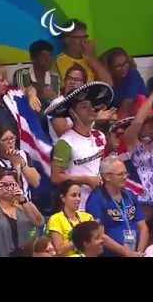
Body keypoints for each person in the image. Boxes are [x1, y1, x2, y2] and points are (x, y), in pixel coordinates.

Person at [48, 81, 114, 210]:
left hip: (100, 202)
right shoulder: (65, 143)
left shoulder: (100, 135)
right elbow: (56, 177)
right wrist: (86, 180)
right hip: (77, 206)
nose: (91, 110)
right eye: (84, 107)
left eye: (91, 105)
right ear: (73, 113)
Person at [86, 156, 148, 257]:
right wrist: (127, 253)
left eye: (125, 173)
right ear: (107, 177)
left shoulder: (130, 195)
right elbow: (99, 234)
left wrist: (138, 253)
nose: (125, 177)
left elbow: (143, 227)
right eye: (120, 174)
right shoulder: (96, 199)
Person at [0, 170, 44, 257]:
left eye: (12, 184)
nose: (9, 188)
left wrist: (23, 200)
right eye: (4, 185)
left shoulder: (24, 204)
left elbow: (39, 222)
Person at [121, 88, 153, 220]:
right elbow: (137, 123)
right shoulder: (133, 142)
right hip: (141, 200)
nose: (150, 126)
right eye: (147, 122)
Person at [0, 125, 40, 201]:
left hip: (27, 203)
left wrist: (22, 164)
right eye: (5, 140)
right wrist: (16, 166)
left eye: (12, 138)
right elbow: (13, 190)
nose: (10, 142)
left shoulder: (23, 154)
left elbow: (35, 182)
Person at [55, 19, 112, 86]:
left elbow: (108, 84)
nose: (83, 42)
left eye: (85, 37)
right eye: (79, 38)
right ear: (67, 40)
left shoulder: (90, 59)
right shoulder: (58, 61)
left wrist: (92, 57)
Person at [47, 181, 94, 256]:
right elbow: (59, 250)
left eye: (79, 195)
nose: (78, 199)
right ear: (63, 198)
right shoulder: (56, 219)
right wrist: (80, 238)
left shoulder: (88, 217)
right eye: (73, 195)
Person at [100, 47, 147, 119]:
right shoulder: (107, 81)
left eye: (126, 63)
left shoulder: (132, 74)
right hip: (116, 117)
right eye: (118, 66)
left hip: (138, 118)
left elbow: (126, 108)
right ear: (109, 68)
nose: (124, 68)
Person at [13, 40, 60, 108]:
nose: (48, 59)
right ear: (33, 58)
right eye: (44, 56)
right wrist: (41, 91)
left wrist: (53, 96)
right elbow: (21, 97)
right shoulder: (22, 74)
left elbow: (57, 102)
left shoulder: (55, 77)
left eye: (50, 55)